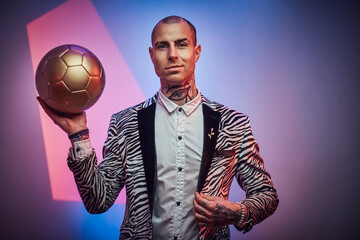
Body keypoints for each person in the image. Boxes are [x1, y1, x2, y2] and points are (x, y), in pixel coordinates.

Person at [38, 15, 278, 240]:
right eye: (163, 46)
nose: (172, 54)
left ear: (197, 52)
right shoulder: (124, 123)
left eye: (181, 44)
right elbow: (97, 201)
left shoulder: (233, 123)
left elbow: (267, 195)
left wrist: (239, 212)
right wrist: (78, 134)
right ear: (152, 55)